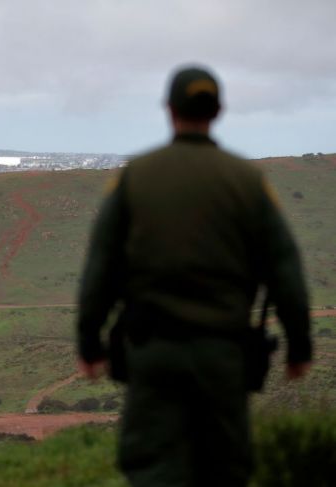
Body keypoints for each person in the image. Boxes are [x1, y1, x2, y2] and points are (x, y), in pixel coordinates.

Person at [76, 65, 312, 487]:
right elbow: (285, 268)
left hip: (154, 353)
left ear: (169, 109)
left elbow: (101, 269)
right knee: (223, 468)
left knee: (153, 468)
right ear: (218, 110)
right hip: (223, 355)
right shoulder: (247, 180)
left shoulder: (136, 176)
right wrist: (299, 346)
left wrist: (89, 342)